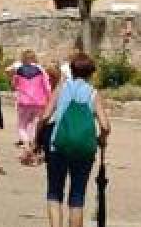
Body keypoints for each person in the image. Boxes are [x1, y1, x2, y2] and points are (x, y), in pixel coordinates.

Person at [34, 52, 110, 227]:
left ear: (72, 70)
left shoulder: (61, 88)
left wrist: (37, 138)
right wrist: (101, 138)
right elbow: (105, 126)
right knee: (77, 196)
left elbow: (45, 116)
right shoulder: (93, 93)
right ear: (91, 73)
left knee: (54, 192)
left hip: (58, 145)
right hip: (84, 149)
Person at [9, 50, 52, 165]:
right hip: (39, 102)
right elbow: (47, 86)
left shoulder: (19, 70)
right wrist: (49, 99)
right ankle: (32, 149)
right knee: (34, 125)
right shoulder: (41, 70)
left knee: (22, 126)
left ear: (23, 58)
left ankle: (27, 147)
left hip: (24, 102)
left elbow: (14, 85)